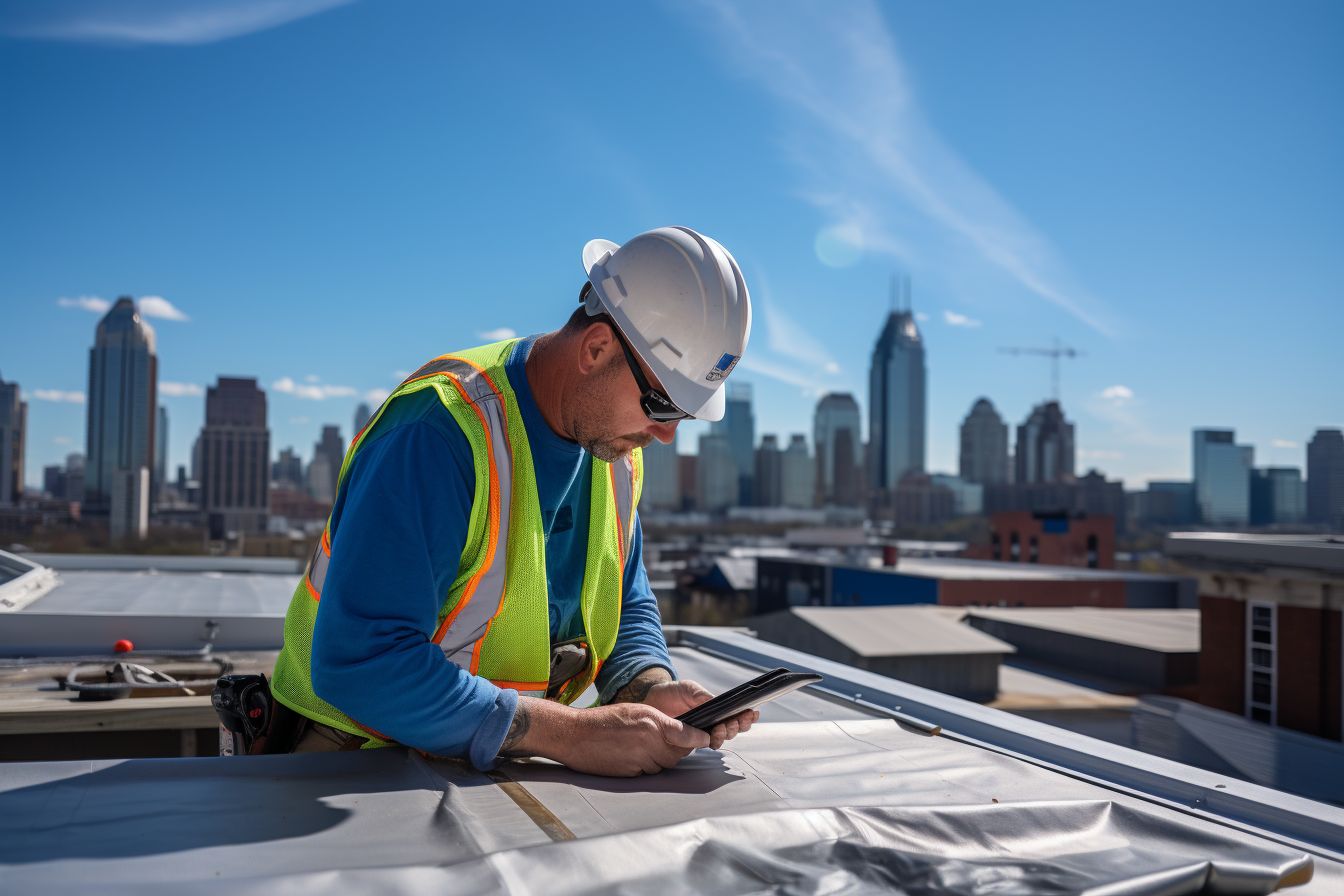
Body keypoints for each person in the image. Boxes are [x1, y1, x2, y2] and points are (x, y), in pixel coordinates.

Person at [270, 226, 758, 776]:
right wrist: (569, 734)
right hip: (353, 763)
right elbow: (364, 663)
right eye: (661, 406)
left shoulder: (617, 452)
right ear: (596, 349)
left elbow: (625, 605)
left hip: (491, 760)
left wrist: (649, 687)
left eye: (681, 415)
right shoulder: (439, 432)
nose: (667, 435)